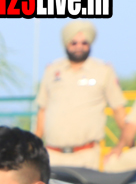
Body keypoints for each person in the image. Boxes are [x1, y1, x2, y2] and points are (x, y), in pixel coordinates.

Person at [36, 21, 127, 169]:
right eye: (74, 43)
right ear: (66, 44)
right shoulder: (52, 70)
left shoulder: (103, 70)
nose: (79, 47)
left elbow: (118, 110)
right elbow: (43, 111)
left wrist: (125, 144)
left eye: (84, 43)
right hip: (53, 154)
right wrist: (35, 145)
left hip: (86, 155)